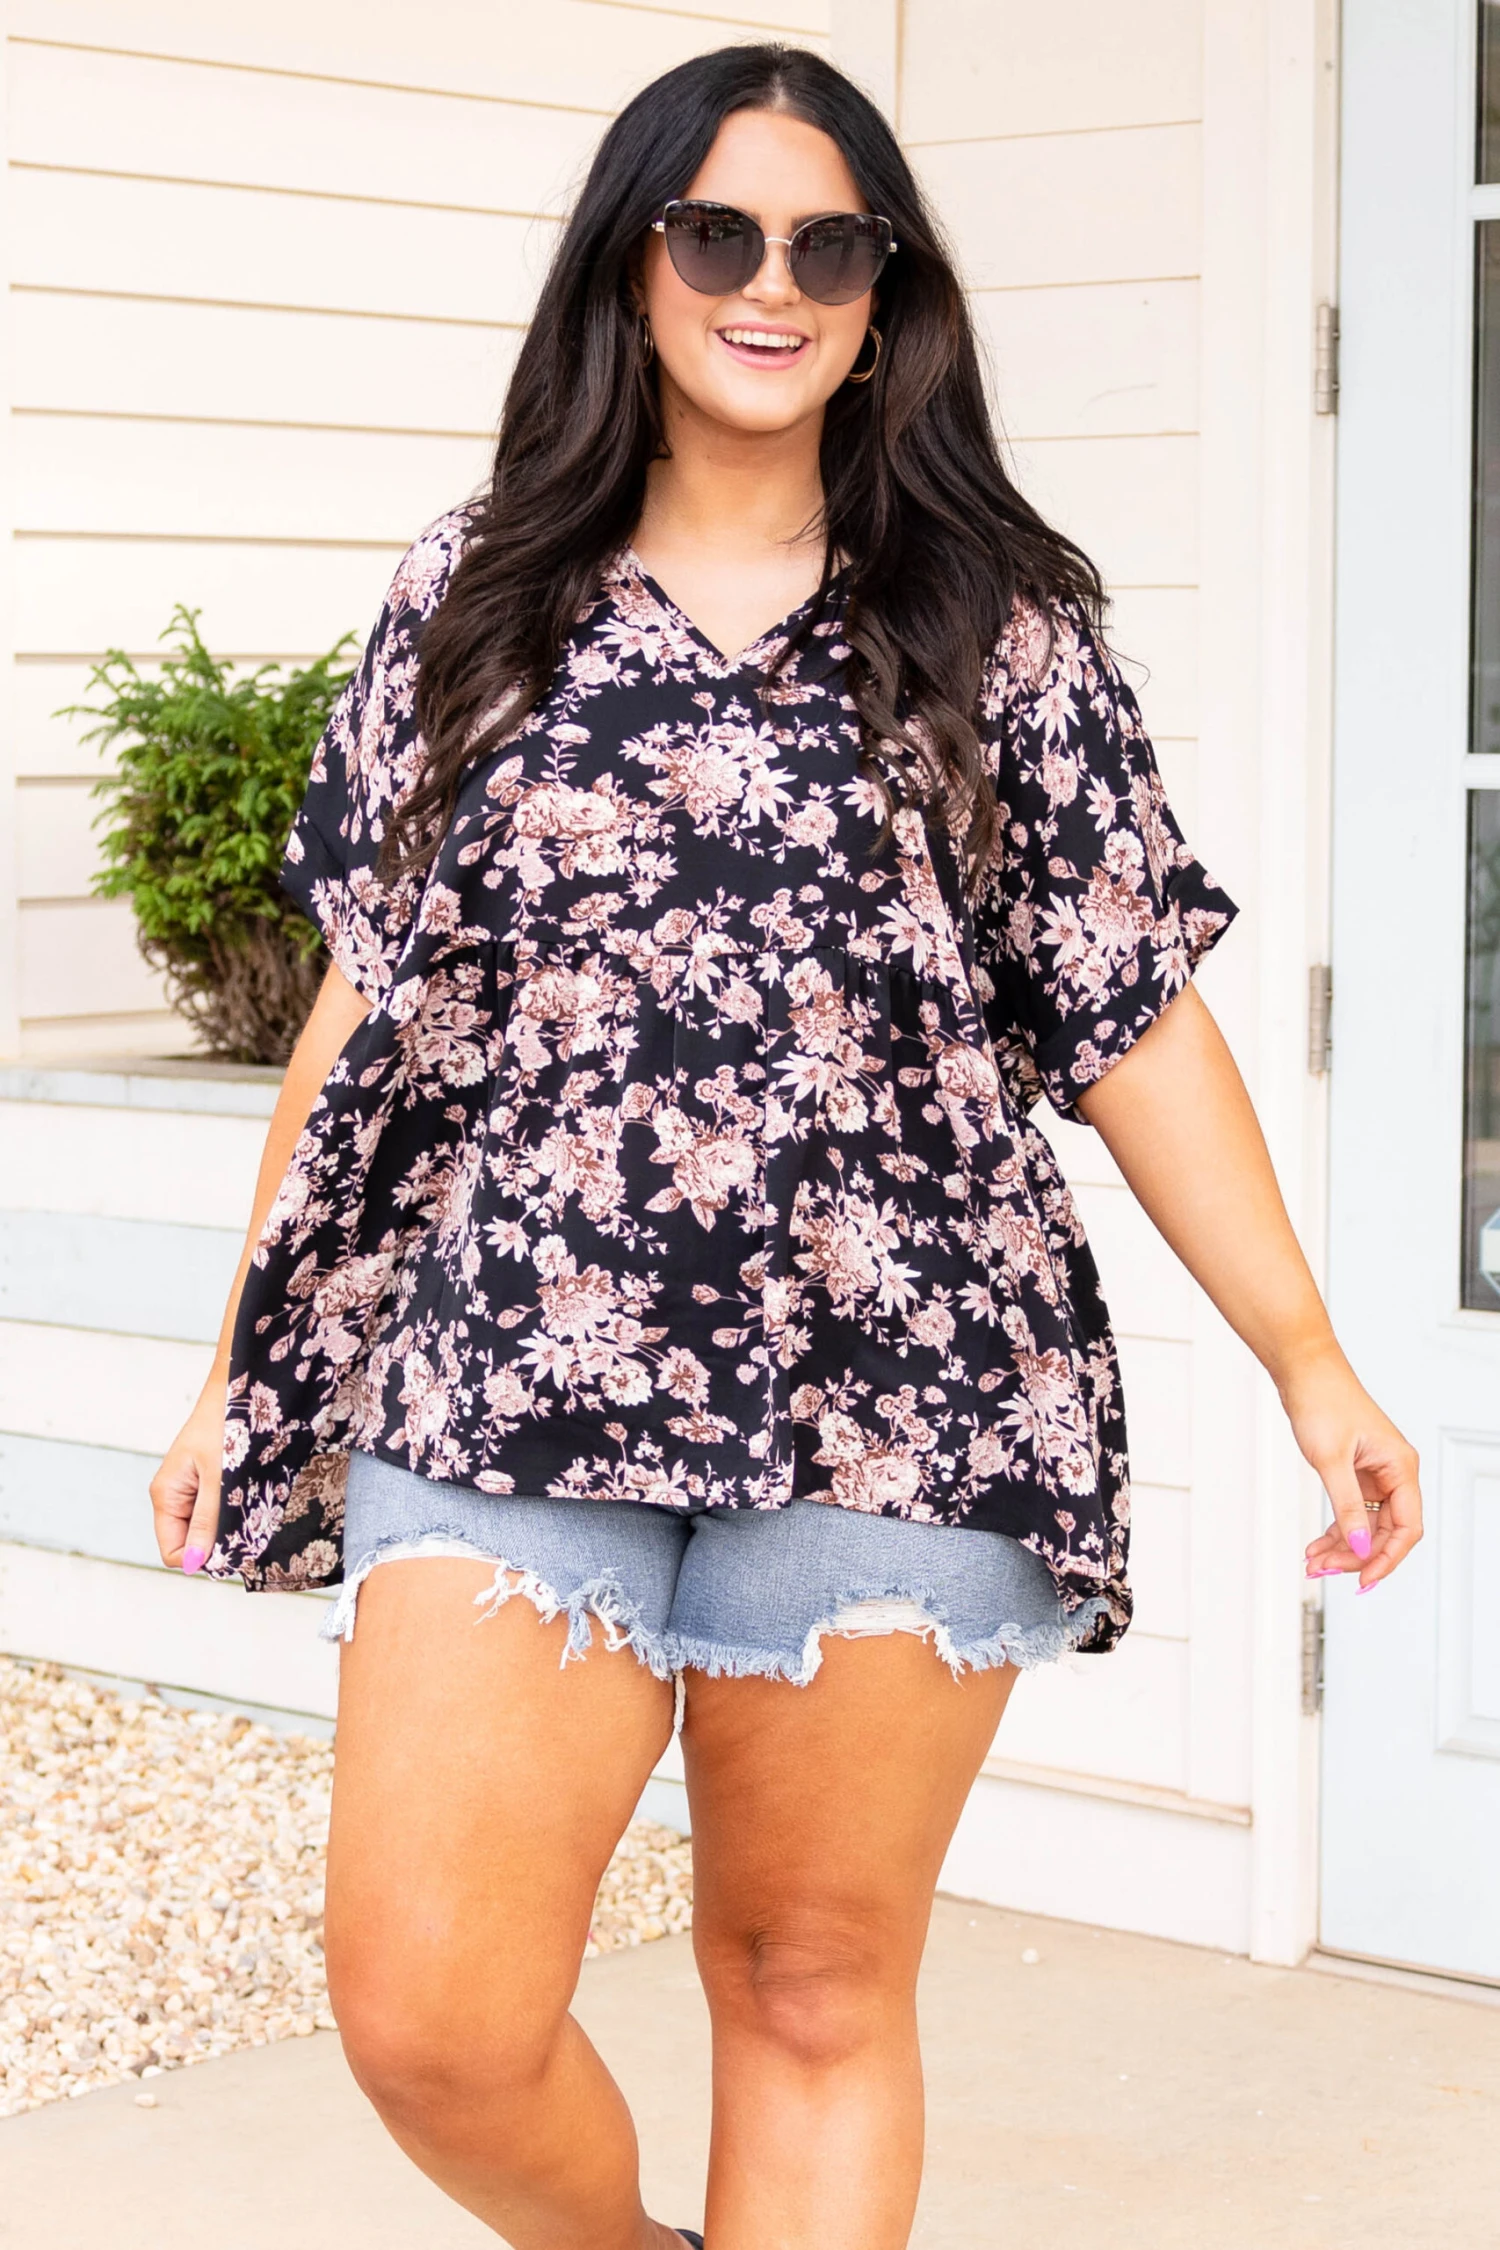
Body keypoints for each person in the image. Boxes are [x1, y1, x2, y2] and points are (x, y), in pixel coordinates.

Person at [148, 44, 1422, 2250]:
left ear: (884, 289)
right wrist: (240, 1355)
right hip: (512, 1355)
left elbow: (1131, 1011)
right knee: (431, 2013)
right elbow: (367, 999)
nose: (771, 284)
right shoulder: (477, 593)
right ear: (631, 265)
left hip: (910, 1380)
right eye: (717, 232)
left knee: (812, 1981)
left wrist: (1314, 1364)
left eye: (829, 244)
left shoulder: (994, 619)